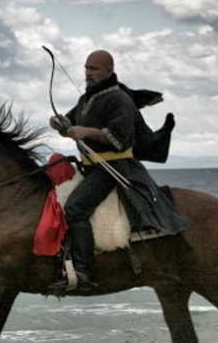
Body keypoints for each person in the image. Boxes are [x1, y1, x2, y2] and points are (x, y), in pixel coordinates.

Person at [48, 50, 190, 293]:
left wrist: (86, 132)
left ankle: (83, 272)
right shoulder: (86, 99)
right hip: (91, 167)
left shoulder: (119, 99)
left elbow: (120, 139)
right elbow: (69, 125)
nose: (88, 73)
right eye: (86, 68)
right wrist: (59, 124)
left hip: (114, 168)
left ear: (109, 71)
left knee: (76, 208)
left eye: (94, 69)